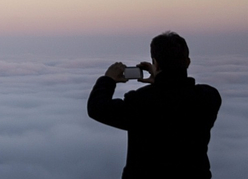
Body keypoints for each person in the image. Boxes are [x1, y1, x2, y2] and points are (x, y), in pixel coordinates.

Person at [87, 31, 221, 179]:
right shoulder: (208, 97)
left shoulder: (140, 102)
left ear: (155, 63)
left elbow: (97, 108)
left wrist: (108, 80)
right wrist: (160, 81)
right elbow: (175, 97)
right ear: (188, 62)